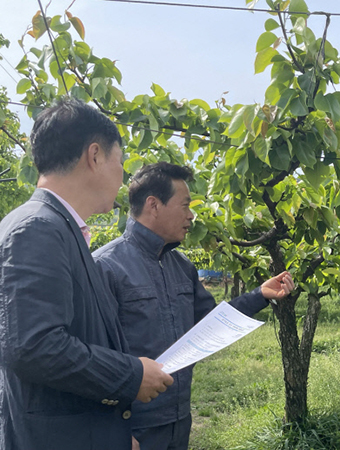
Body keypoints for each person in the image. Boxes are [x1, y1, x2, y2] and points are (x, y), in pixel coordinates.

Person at [0, 98, 173, 450]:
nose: (123, 175)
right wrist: (131, 375)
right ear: (94, 156)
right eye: (120, 161)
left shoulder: (60, 228)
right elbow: (34, 347)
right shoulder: (37, 228)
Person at [93, 162, 295, 450]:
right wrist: (116, 431)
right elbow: (95, 356)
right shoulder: (106, 266)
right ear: (154, 205)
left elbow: (211, 323)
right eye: (185, 205)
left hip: (178, 418)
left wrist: (260, 295)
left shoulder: (181, 266)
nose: (191, 215)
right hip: (133, 425)